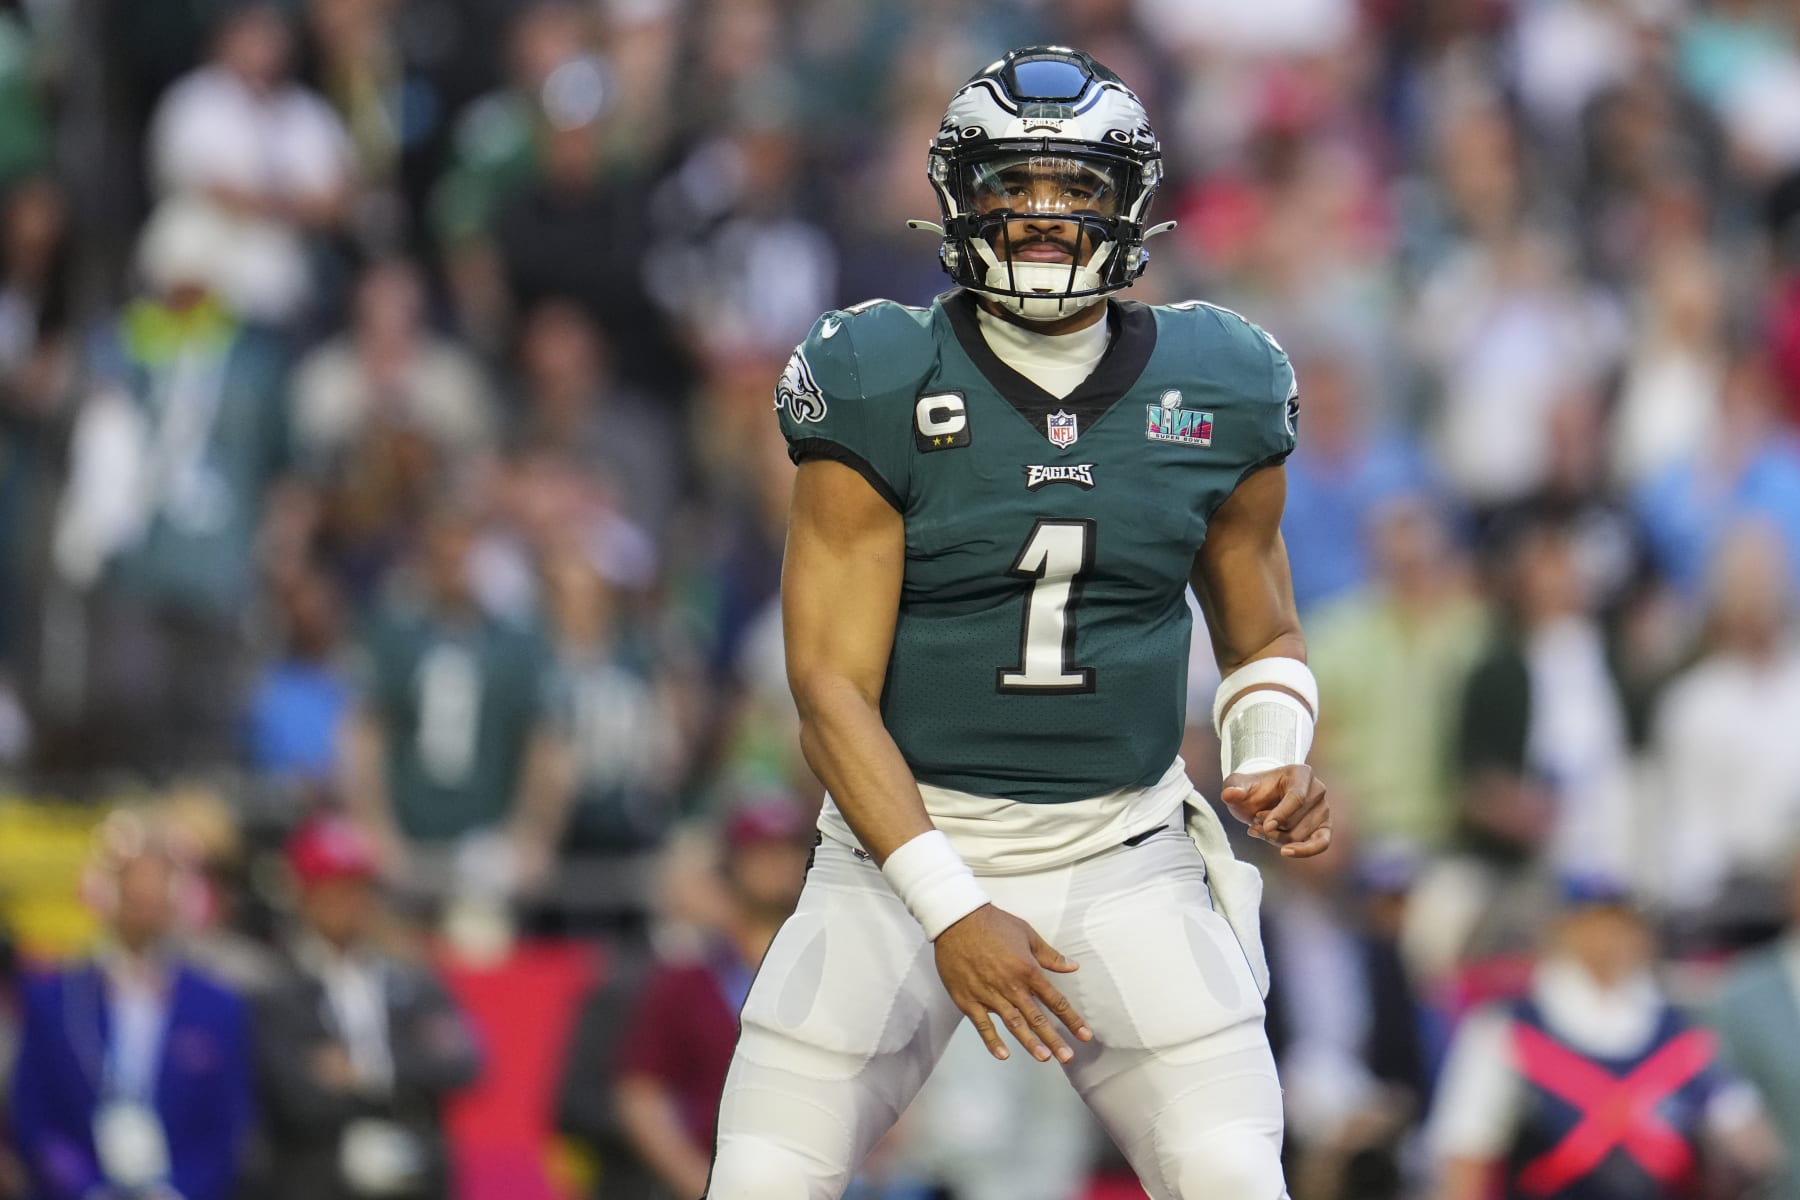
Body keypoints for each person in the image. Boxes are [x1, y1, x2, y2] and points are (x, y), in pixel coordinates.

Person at [711, 46, 1332, 1199]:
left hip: (1126, 852)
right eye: (1015, 184)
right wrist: (951, 908)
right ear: (960, 196)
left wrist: (1271, 753)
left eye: (1077, 188)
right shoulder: (879, 372)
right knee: (760, 1177)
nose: (1045, 217)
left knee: (1234, 1172)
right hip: (900, 854)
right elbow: (828, 692)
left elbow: (1264, 639)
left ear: (1129, 202)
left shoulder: (1221, 380)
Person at [7, 812, 256, 1200]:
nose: (145, 900)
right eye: (133, 887)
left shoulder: (217, 1005)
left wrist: (177, 1192)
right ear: (103, 892)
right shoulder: (55, 998)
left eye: (157, 887)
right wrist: (86, 1188)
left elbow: (227, 1128)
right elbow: (34, 1120)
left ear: (183, 898)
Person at [251, 813, 481, 1200]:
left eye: (357, 889)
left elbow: (462, 1062)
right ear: (304, 896)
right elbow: (294, 1095)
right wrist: (406, 1075)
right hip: (318, 1181)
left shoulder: (411, 981)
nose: (348, 903)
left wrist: (370, 1070)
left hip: (415, 1178)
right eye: (332, 889)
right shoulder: (277, 989)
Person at [614, 799, 815, 1200]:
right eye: (762, 851)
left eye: (789, 850)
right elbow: (641, 1097)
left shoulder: (827, 970)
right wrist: (700, 1184)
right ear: (732, 864)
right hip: (715, 1174)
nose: (778, 864)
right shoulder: (687, 977)